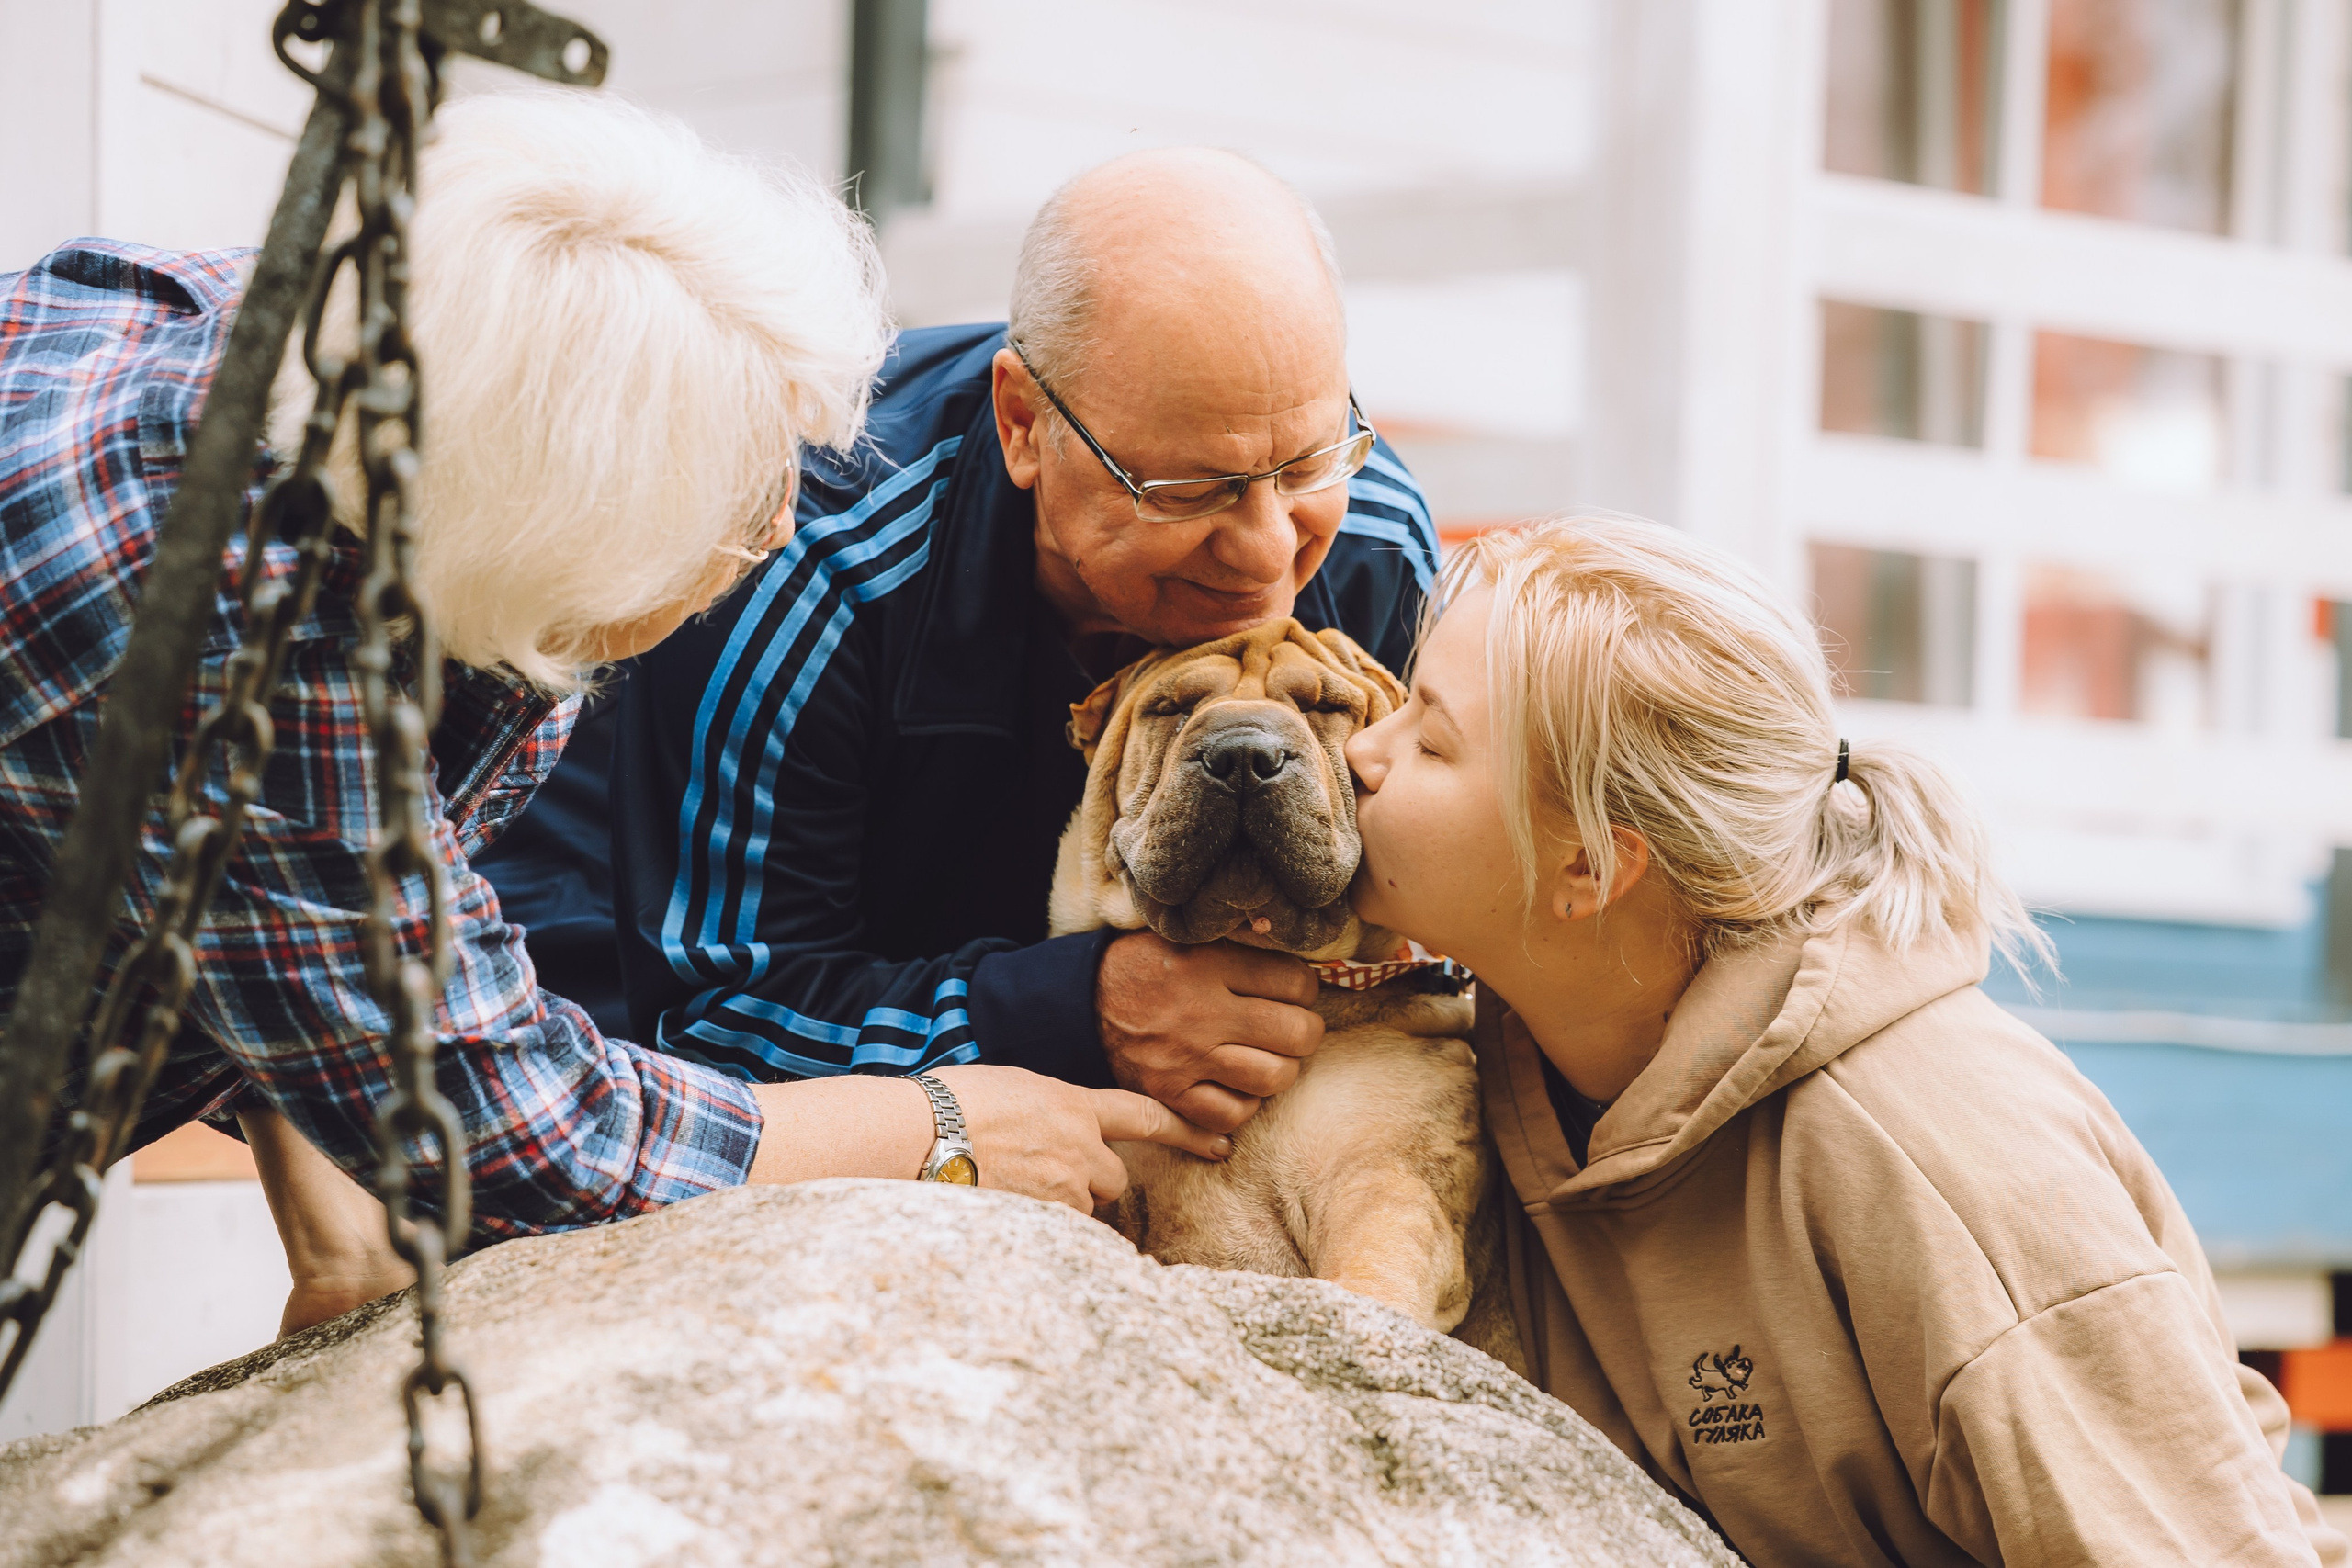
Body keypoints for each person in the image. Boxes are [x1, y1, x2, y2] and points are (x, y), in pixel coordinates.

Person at [0, 90, 1225, 1337]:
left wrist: (343, 1235)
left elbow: (295, 913)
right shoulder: (222, 640)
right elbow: (520, 1121)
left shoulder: (389, 351)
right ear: (537, 537)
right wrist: (944, 1122)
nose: (774, 534)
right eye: (733, 517)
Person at [1343, 515, 2348, 1567]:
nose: (1364, 751)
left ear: (1589, 871)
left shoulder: (1940, 1157)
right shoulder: (1494, 1076)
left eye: (1430, 739)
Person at [560, 148, 1442, 1133]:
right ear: (1024, 422)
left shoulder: (1371, 545)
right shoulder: (803, 561)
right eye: (1190, 489)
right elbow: (714, 1024)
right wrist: (1073, 1009)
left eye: (1310, 458)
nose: (1271, 550)